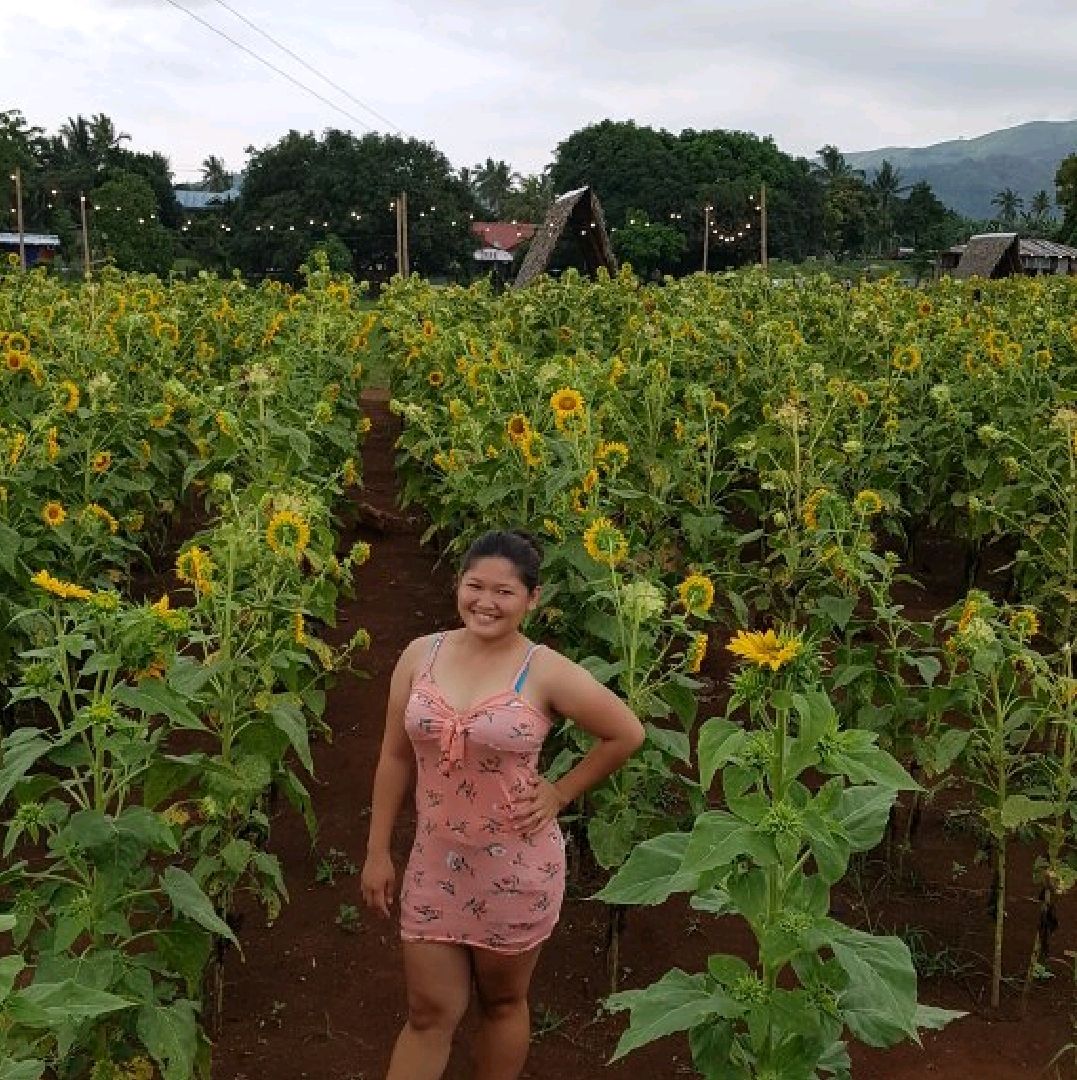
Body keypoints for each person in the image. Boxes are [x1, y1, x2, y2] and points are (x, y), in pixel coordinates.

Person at [361, 529, 645, 1080]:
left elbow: (625, 732)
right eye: (474, 586)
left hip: (515, 870)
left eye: (505, 592)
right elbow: (394, 757)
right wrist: (377, 851)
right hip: (434, 863)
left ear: (532, 600)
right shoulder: (422, 655)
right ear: (458, 585)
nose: (485, 602)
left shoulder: (544, 670)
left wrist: (560, 791)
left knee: (502, 1004)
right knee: (427, 1012)